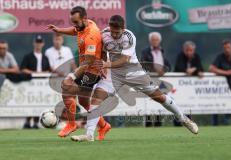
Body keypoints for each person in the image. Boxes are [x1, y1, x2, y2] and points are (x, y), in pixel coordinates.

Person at [70, 15, 199, 142]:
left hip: (133, 71)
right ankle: (89, 135)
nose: (114, 35)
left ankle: (183, 119)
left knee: (159, 97)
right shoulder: (104, 34)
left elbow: (124, 60)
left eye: (117, 32)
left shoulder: (129, 37)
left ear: (123, 28)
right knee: (96, 98)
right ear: (109, 27)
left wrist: (106, 64)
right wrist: (103, 64)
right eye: (113, 32)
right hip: (113, 74)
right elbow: (101, 51)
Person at [46, 6, 109, 138]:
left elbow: (88, 61)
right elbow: (75, 30)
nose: (74, 25)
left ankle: (71, 124)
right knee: (84, 102)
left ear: (84, 19)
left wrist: (72, 76)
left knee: (67, 87)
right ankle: (104, 126)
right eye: (72, 21)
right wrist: (59, 30)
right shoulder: (86, 24)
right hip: (89, 68)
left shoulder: (91, 35)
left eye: (76, 22)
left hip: (91, 71)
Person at [141, 32, 171, 127]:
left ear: (159, 41)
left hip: (161, 80)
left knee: (160, 99)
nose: (155, 41)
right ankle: (148, 122)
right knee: (149, 99)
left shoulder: (162, 51)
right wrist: (154, 70)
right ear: (150, 41)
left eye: (156, 40)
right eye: (153, 40)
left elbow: (168, 65)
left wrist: (164, 70)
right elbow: (143, 64)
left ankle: (158, 121)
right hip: (149, 79)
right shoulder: (145, 51)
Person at [21, 35, 51, 129]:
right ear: (34, 43)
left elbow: (48, 69)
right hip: (31, 82)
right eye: (37, 43)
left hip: (42, 84)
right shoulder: (28, 56)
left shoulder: (45, 57)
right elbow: (23, 69)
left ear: (43, 44)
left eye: (40, 43)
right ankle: (27, 121)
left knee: (39, 102)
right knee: (30, 102)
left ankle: (35, 122)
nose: (38, 45)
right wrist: (34, 73)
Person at [209, 39, 231, 125]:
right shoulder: (220, 56)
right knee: (216, 105)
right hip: (220, 90)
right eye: (225, 48)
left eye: (228, 47)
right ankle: (214, 124)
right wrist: (227, 73)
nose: (227, 50)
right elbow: (211, 68)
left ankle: (226, 119)